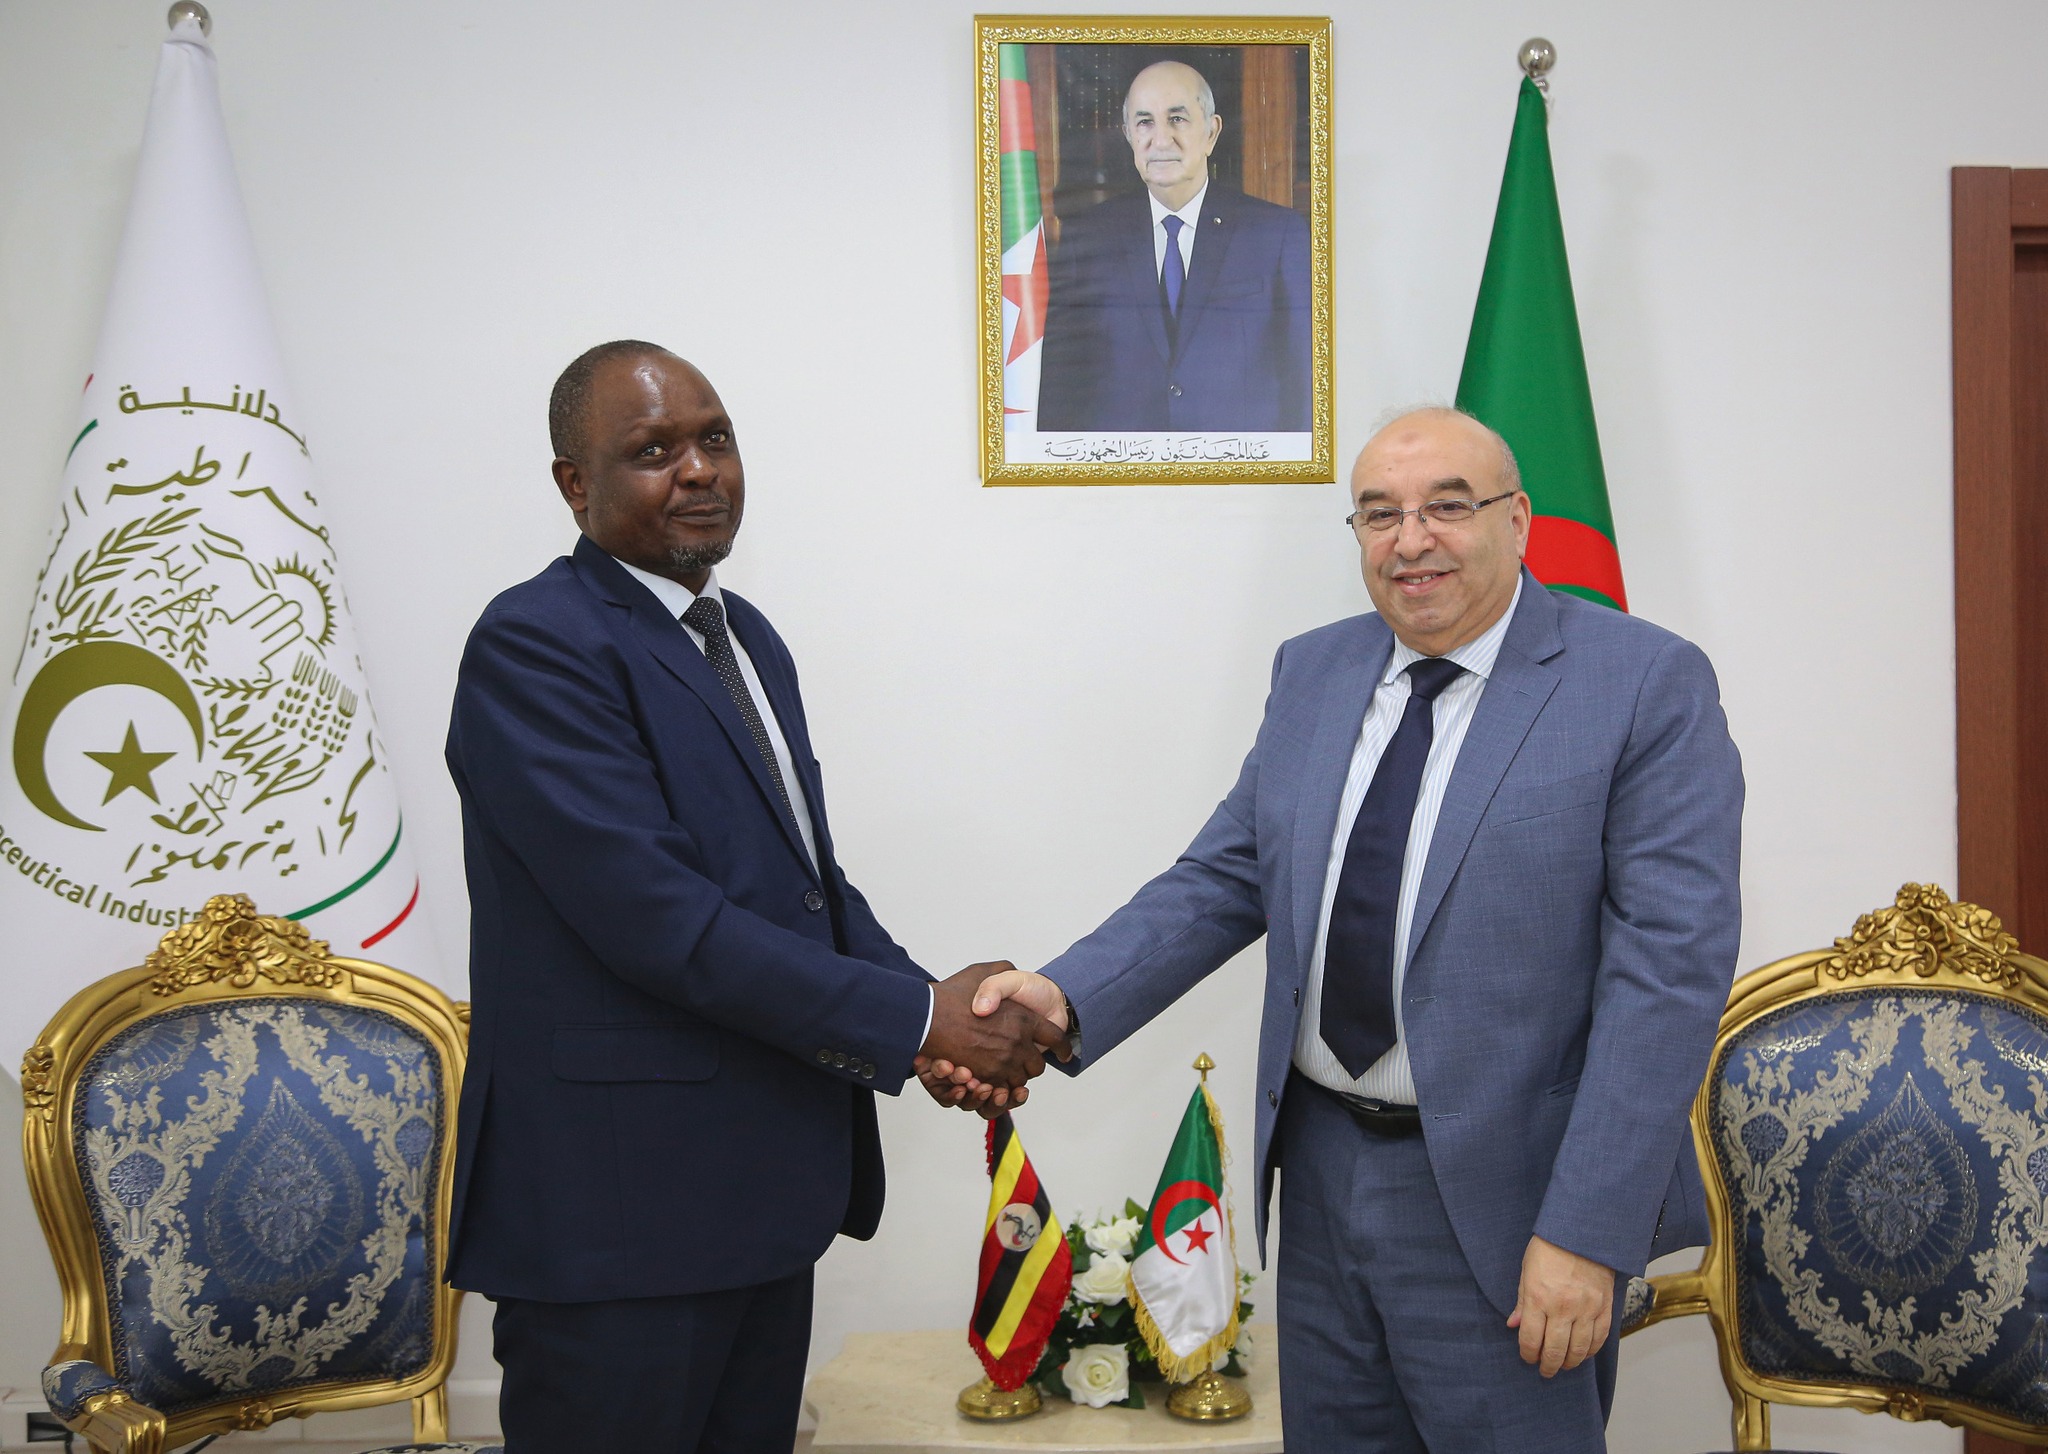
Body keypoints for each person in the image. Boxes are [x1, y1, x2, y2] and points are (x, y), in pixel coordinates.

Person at [935, 408, 1743, 1451]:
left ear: (1517, 520)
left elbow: (1665, 979)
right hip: (1319, 1174)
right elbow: (1228, 874)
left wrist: (1586, 1230)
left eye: (1447, 506)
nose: (1411, 540)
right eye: (1379, 513)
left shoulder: (1640, 682)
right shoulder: (1313, 669)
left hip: (1510, 1203)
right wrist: (1061, 994)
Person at [444, 341, 1062, 1453]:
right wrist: (918, 1020)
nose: (697, 470)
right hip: (619, 1219)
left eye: (715, 439)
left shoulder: (743, 637)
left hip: (759, 1199)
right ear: (574, 485)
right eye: (652, 451)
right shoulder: (537, 643)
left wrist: (928, 1011)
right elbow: (660, 922)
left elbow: (804, 885)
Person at [1034, 59, 1312, 433]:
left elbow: (1304, 381)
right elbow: (1061, 386)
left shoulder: (1275, 234)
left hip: (1239, 464)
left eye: (1177, 119)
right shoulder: (1088, 237)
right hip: (1122, 464)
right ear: (1128, 135)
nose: (1161, 140)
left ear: (1211, 132)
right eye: (1145, 122)